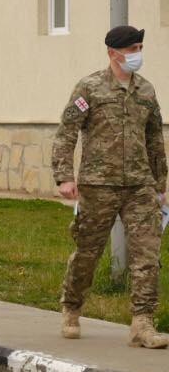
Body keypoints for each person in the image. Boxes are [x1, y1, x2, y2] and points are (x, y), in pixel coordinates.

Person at [52, 25, 169, 348]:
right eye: (132, 49)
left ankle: (143, 322)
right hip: (98, 185)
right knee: (88, 253)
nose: (137, 54)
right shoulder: (89, 88)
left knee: (147, 254)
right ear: (113, 53)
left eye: (139, 48)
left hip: (139, 185)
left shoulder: (146, 90)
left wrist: (160, 184)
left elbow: (155, 139)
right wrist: (64, 176)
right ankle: (71, 308)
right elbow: (66, 133)